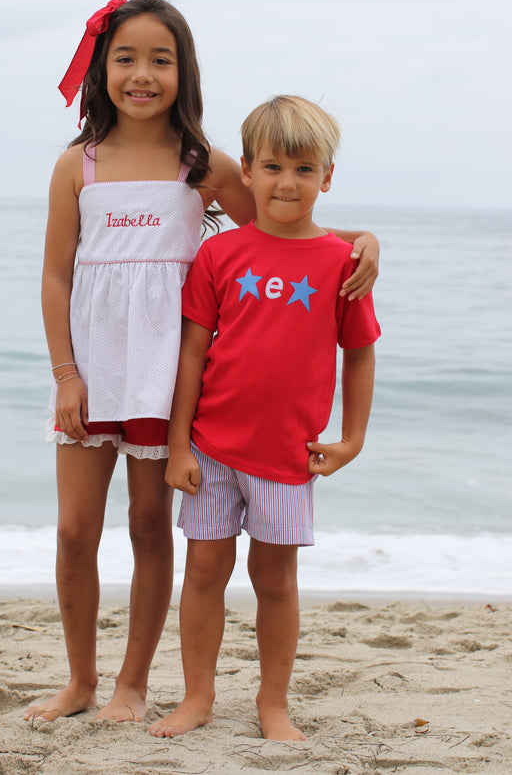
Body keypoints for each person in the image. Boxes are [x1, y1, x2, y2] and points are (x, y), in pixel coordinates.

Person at [24, 0, 379, 725]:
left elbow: (282, 227)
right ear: (102, 68)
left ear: (184, 72)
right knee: (73, 531)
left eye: (161, 59)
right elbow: (57, 273)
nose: (142, 74)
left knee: (151, 528)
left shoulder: (205, 164)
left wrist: (359, 240)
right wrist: (65, 373)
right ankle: (80, 680)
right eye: (126, 58)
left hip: (168, 376)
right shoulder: (77, 165)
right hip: (92, 373)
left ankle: (131, 686)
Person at [149, 95, 381, 741]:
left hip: (287, 454)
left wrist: (353, 440)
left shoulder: (342, 264)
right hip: (212, 448)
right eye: (274, 167)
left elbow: (359, 355)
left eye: (305, 170)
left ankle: (272, 703)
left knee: (275, 579)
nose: (288, 183)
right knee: (203, 573)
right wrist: (178, 447)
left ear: (327, 177)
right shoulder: (220, 255)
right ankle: (198, 696)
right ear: (246, 171)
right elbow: (192, 354)